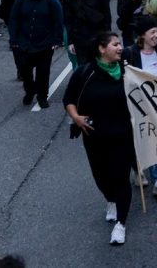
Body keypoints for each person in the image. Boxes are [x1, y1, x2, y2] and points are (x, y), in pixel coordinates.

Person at [63, 32, 136, 246]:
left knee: (121, 178)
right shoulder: (85, 73)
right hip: (94, 135)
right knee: (101, 176)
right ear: (102, 49)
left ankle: (121, 223)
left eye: (120, 44)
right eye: (115, 44)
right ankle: (110, 200)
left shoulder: (127, 72)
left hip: (123, 134)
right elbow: (69, 98)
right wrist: (76, 117)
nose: (120, 47)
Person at [122, 15, 157, 199]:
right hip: (136, 106)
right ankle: (138, 169)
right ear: (142, 35)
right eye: (152, 32)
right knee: (137, 141)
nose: (156, 35)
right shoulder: (130, 54)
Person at [8, 0, 64, 108]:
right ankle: (30, 90)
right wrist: (13, 39)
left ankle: (42, 96)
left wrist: (57, 40)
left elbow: (58, 21)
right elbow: (14, 19)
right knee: (24, 71)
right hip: (24, 43)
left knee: (43, 73)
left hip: (44, 43)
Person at [65, 0, 112, 65]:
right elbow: (69, 20)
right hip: (80, 40)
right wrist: (70, 41)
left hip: (97, 38)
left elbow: (107, 16)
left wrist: (108, 38)